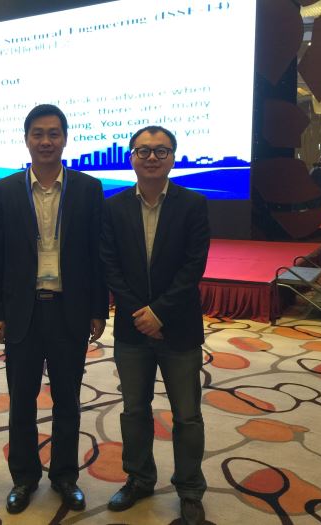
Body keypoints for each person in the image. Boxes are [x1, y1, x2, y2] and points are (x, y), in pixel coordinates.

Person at [0, 104, 109, 514]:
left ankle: (64, 476)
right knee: (21, 400)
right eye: (37, 133)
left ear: (65, 139)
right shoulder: (4, 191)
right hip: (22, 312)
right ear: (26, 139)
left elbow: (96, 255)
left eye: (53, 133)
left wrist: (98, 308)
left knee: (67, 400)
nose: (45, 141)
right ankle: (24, 478)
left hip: (68, 310)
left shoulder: (88, 189)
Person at [100, 125, 210, 525]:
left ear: (173, 157)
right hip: (132, 329)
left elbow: (193, 266)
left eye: (160, 151)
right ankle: (139, 479)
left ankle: (190, 490)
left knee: (187, 415)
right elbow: (110, 265)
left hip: (179, 328)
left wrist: (160, 313)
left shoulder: (193, 204)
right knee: (134, 410)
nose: (151, 157)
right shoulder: (113, 207)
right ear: (131, 157)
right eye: (143, 150)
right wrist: (141, 314)